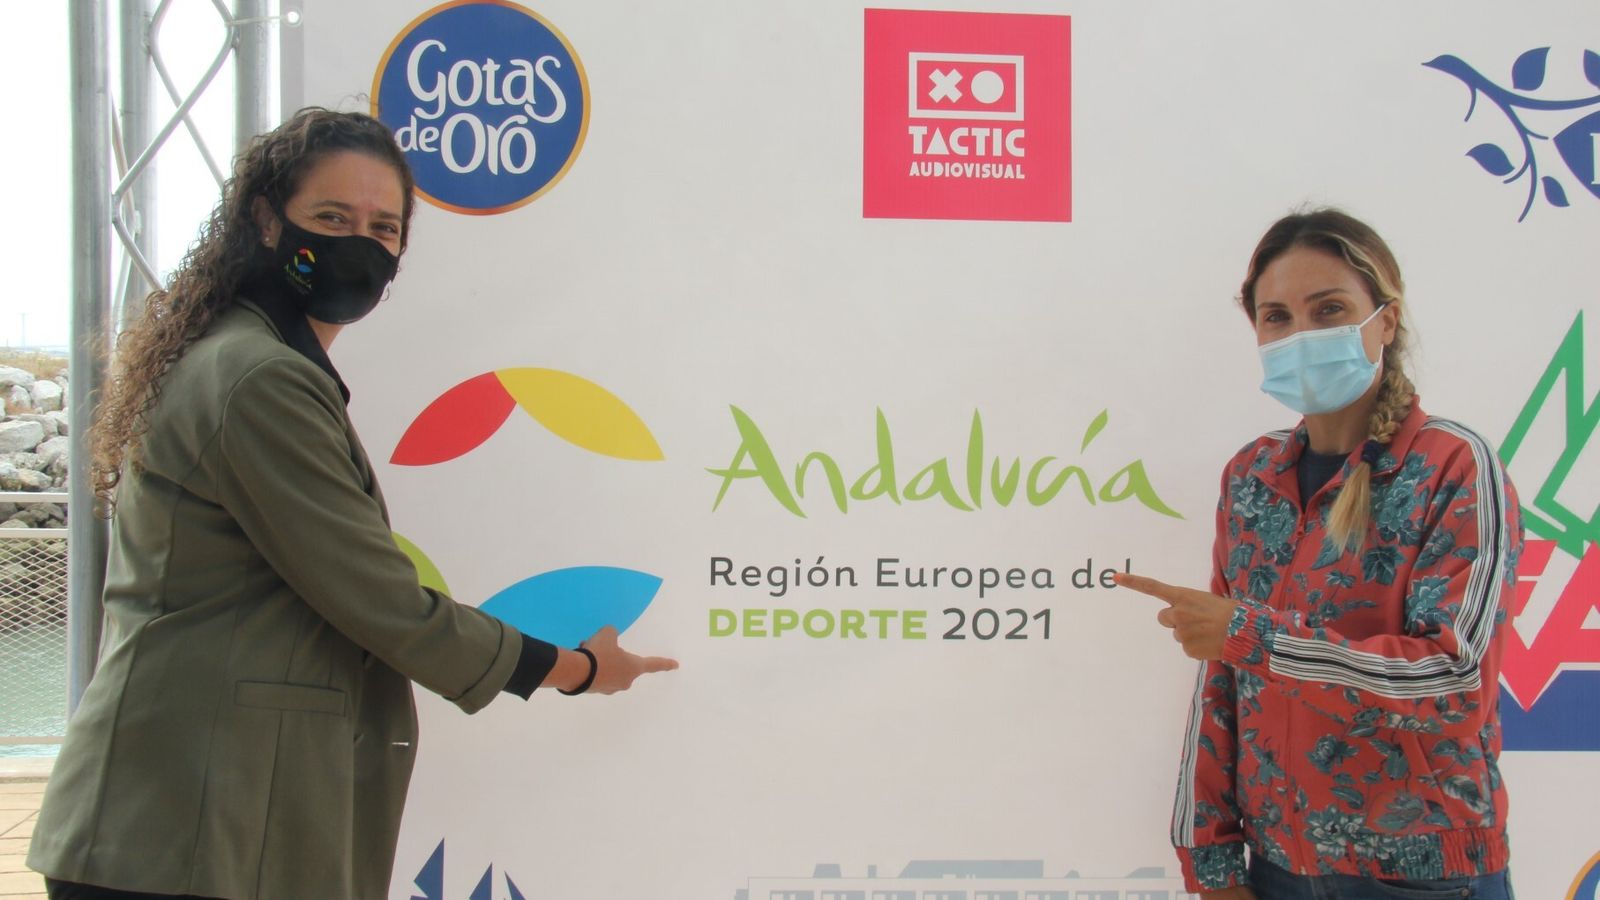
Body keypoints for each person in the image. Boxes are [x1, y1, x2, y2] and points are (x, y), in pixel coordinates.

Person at [28, 108, 678, 900]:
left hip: (193, 826)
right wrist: (575, 669)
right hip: (185, 830)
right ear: (266, 221)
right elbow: (381, 603)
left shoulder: (248, 360)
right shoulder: (259, 380)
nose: (360, 245)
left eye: (384, 227)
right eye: (331, 218)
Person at [1116, 209, 1520, 899]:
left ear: (1385, 321)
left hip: (1422, 876)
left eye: (1329, 309)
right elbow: (1222, 687)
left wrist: (1254, 637)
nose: (1301, 335)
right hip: (1276, 870)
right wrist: (1208, 859)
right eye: (1277, 317)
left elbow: (1454, 681)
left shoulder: (1453, 465)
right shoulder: (1252, 476)